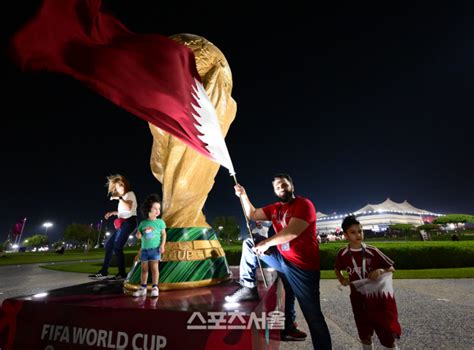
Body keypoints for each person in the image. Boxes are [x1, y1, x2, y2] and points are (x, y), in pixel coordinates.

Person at [225, 174, 332, 349]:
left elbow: (292, 232)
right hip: (282, 259)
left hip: (303, 269)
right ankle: (248, 286)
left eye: (284, 185)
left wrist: (265, 243)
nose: (281, 188)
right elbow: (252, 214)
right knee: (250, 243)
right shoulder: (275, 208)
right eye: (277, 187)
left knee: (313, 316)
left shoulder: (304, 205)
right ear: (275, 191)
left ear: (292, 186)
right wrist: (243, 195)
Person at [335, 215, 401, 350]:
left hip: (378, 299)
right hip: (358, 299)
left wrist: (381, 270)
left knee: (386, 332)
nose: (358, 235)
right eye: (353, 232)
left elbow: (391, 268)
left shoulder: (372, 251)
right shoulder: (343, 253)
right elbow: (337, 268)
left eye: (360, 231)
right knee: (364, 333)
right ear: (345, 235)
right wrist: (342, 279)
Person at [89, 174, 138, 280]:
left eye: (121, 184)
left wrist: (119, 198)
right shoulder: (123, 197)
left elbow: (129, 207)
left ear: (125, 184)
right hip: (124, 222)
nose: (120, 187)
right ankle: (104, 271)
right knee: (109, 246)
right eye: (118, 186)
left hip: (129, 222)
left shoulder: (130, 194)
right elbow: (122, 212)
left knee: (117, 247)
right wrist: (112, 213)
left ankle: (122, 273)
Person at [132, 194, 167, 298]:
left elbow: (164, 234)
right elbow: (139, 235)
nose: (157, 211)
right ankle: (143, 288)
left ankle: (155, 287)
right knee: (144, 269)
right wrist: (138, 235)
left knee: (154, 268)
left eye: (159, 208)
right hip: (144, 250)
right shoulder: (143, 223)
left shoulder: (160, 222)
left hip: (155, 249)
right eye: (155, 208)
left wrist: (162, 245)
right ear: (148, 209)